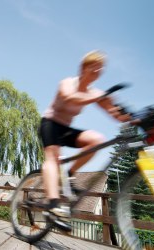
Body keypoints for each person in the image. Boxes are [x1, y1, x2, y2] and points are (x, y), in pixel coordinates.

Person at [39, 50, 130, 232]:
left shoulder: (94, 92)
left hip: (66, 129)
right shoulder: (68, 83)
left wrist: (134, 118)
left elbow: (113, 112)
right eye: (94, 66)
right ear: (84, 67)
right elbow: (69, 97)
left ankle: (71, 174)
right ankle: (52, 205)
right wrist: (99, 97)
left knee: (97, 139)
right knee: (53, 159)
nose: (99, 69)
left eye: (101, 67)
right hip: (49, 123)